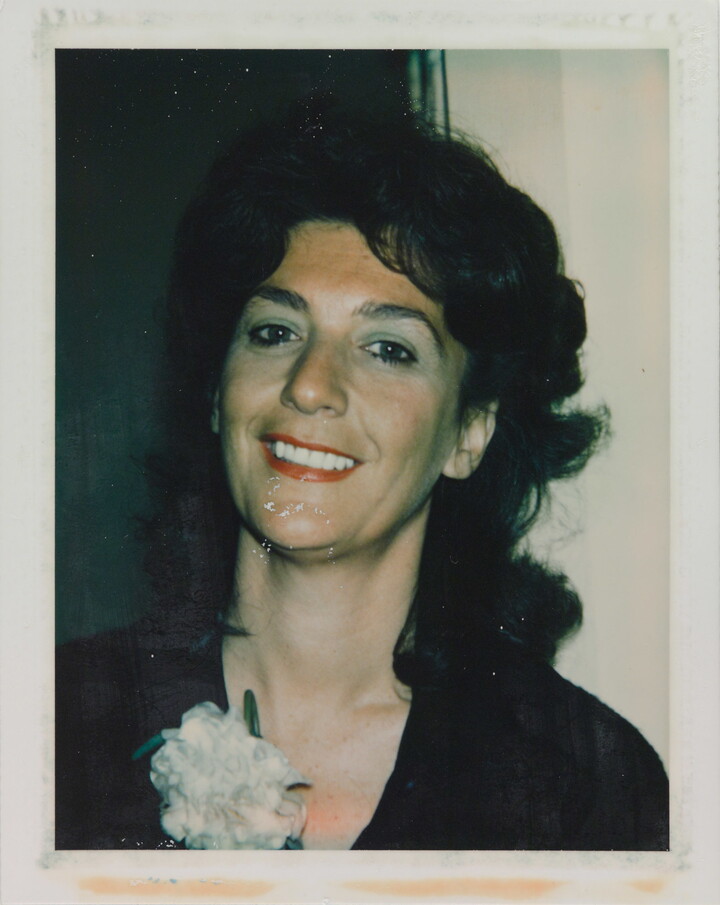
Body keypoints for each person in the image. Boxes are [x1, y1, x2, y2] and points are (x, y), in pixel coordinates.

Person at [55, 104, 669, 851]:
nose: (311, 385)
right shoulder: (47, 724)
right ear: (217, 393)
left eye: (388, 348)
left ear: (469, 431)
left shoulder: (585, 784)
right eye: (275, 332)